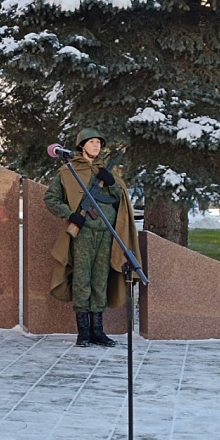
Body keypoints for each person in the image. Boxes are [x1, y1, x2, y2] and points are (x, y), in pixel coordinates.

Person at [44, 128, 142, 348]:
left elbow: (121, 198)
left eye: (99, 142)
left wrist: (112, 184)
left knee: (100, 279)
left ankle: (98, 331)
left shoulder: (107, 171)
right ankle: (84, 333)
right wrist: (70, 215)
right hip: (83, 233)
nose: (96, 146)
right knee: (82, 279)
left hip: (107, 233)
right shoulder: (68, 171)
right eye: (92, 142)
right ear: (82, 145)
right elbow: (51, 198)